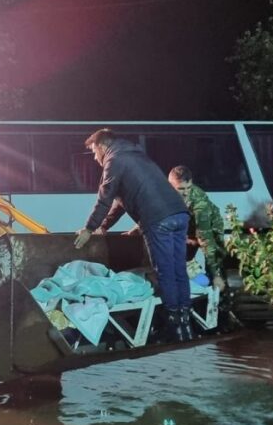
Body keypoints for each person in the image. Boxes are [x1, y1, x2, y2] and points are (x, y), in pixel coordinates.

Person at [74, 128, 194, 342]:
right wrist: (104, 225)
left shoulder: (114, 160)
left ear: (102, 146)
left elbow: (105, 199)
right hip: (180, 214)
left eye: (94, 151)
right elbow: (120, 203)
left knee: (165, 271)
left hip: (159, 219)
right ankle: (186, 325)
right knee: (178, 269)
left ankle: (174, 328)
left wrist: (89, 229)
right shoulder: (136, 156)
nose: (94, 157)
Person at [168, 165, 226, 292]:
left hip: (209, 224)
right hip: (185, 221)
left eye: (188, 188)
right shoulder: (164, 192)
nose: (186, 192)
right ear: (170, 186)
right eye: (181, 189)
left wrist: (216, 275)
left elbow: (206, 239)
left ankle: (217, 290)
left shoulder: (200, 204)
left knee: (214, 254)